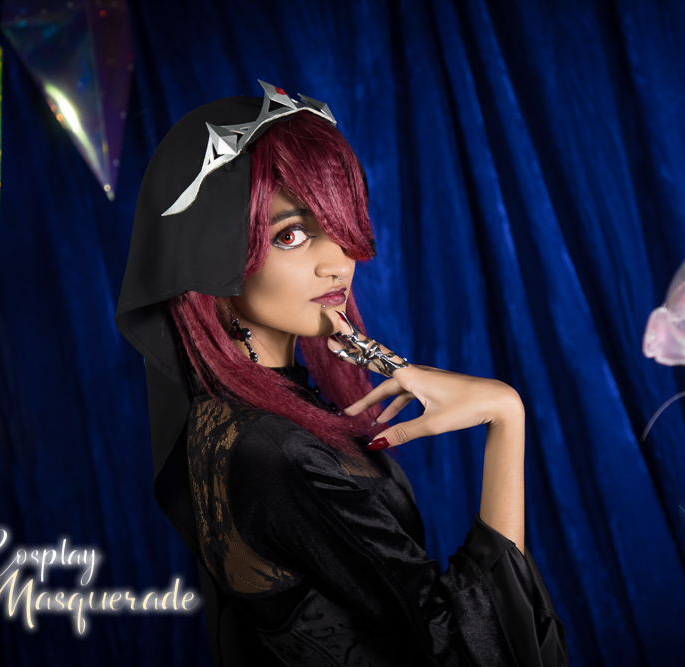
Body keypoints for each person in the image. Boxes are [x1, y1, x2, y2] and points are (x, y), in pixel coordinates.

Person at [115, 82, 567, 666]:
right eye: (291, 234)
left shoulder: (224, 419)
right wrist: (505, 413)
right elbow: (472, 655)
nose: (338, 262)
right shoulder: (277, 452)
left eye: (341, 223)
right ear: (212, 262)